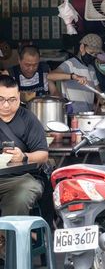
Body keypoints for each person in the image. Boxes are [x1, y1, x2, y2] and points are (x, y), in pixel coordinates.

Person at [0, 75, 48, 216]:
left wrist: (24, 156)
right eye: (1, 99)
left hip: (20, 178)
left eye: (12, 99)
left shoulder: (28, 119)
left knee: (22, 194)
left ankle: (7, 237)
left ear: (19, 97)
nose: (6, 105)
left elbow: (43, 155)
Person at [51, 33, 105, 113]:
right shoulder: (70, 64)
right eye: (91, 53)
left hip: (87, 115)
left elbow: (98, 93)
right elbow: (50, 76)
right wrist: (73, 76)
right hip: (71, 115)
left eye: (95, 54)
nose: (93, 56)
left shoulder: (91, 69)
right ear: (82, 47)